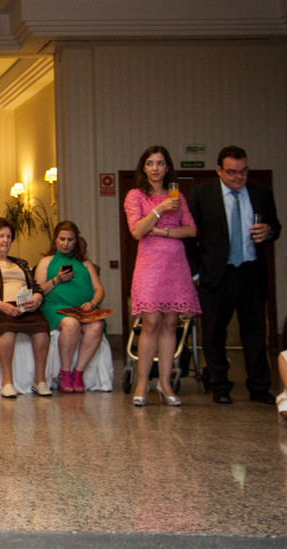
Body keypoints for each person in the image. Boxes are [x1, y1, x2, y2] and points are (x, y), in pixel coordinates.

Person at [187, 145, 282, 405]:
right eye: (232, 172)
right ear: (219, 170)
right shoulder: (202, 194)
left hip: (251, 272)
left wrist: (269, 231)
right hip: (217, 274)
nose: (239, 177)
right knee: (214, 332)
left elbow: (276, 226)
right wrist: (196, 274)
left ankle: (259, 386)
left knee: (254, 332)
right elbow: (189, 236)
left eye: (243, 171)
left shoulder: (261, 192)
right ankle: (220, 384)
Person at [124, 146, 199, 407]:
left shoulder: (178, 196)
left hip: (176, 264)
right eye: (150, 163)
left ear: (168, 167)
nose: (155, 168)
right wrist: (160, 209)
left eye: (160, 163)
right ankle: (143, 382)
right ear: (143, 168)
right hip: (149, 265)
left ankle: (165, 383)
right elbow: (137, 231)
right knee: (151, 323)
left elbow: (191, 230)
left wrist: (164, 232)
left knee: (170, 325)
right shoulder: (135, 196)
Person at [0, 218, 52, 398]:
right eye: (1, 235)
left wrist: (36, 299)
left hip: (25, 309)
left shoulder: (21, 263)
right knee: (6, 332)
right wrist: (2, 306)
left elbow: (37, 287)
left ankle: (40, 381)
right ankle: (7, 382)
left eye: (9, 237)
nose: (6, 240)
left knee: (42, 331)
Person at [35, 221, 107, 393]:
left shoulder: (86, 264)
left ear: (76, 242)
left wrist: (93, 303)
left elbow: (99, 289)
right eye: (62, 239)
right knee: (71, 324)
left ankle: (78, 372)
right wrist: (57, 279)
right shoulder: (46, 262)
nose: (65, 243)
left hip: (81, 309)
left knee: (97, 325)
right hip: (55, 308)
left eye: (70, 239)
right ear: (55, 240)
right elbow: (37, 291)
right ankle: (65, 372)